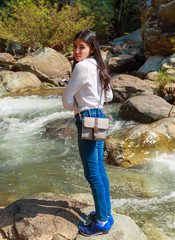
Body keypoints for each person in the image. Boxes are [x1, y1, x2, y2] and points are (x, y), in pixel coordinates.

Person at [62, 29, 114, 236]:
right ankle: (105, 213)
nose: (76, 51)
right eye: (75, 46)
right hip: (99, 117)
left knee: (92, 173)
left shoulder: (82, 66)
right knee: (99, 169)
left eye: (81, 47)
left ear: (92, 48)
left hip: (87, 119)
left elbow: (66, 100)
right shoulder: (99, 65)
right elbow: (108, 95)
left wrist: (73, 95)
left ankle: (101, 222)